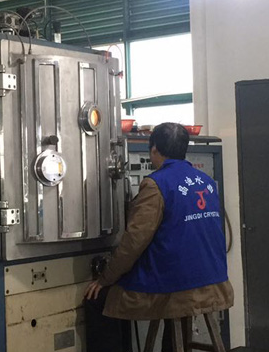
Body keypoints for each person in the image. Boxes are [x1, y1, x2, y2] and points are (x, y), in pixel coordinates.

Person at [84, 122, 233, 323]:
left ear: (154, 149)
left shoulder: (155, 184)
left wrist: (106, 278)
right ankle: (171, 343)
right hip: (214, 281)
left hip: (176, 287)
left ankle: (118, 348)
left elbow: (134, 241)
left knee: (98, 298)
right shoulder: (206, 181)